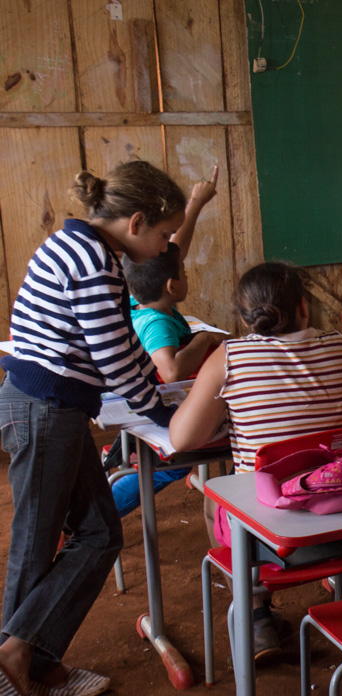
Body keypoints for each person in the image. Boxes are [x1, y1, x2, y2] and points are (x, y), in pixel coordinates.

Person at [0, 161, 187, 696]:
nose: (164, 247)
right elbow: (113, 360)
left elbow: (120, 344)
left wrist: (160, 393)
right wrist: (163, 412)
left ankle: (37, 658)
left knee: (100, 532)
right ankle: (12, 658)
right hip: (43, 412)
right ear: (135, 222)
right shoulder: (93, 264)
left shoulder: (84, 248)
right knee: (35, 543)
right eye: (163, 235)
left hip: (54, 408)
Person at [170, 262, 342, 657]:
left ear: (243, 318)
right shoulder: (340, 346)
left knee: (213, 497)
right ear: (304, 308)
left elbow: (182, 438)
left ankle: (256, 613)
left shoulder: (231, 356)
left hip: (271, 536)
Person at [111, 165, 222, 517]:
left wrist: (196, 203)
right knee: (172, 463)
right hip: (155, 407)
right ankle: (104, 509)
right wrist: (203, 341)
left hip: (149, 400)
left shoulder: (143, 298)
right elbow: (171, 371)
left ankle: (119, 457)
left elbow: (173, 251)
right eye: (185, 272)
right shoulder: (157, 322)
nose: (186, 269)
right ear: (173, 286)